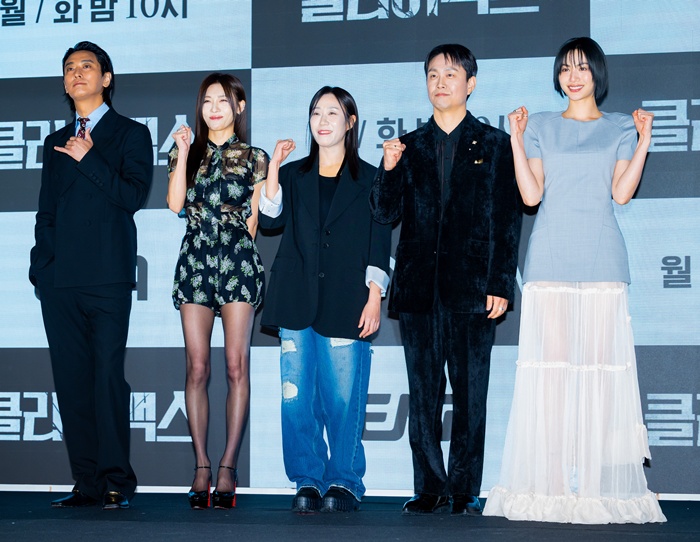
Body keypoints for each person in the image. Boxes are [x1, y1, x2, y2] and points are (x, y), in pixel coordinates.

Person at [483, 37, 666, 524]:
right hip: (549, 263)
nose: (573, 76)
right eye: (566, 68)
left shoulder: (621, 126)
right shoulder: (541, 125)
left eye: (583, 67)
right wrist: (516, 139)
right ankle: (552, 483)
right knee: (551, 376)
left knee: (599, 377)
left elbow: (621, 194)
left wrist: (644, 140)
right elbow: (531, 195)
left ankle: (595, 482)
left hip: (603, 262)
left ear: (597, 74)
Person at [370, 44, 522, 516]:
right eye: (433, 74)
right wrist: (388, 170)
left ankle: (464, 488)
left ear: (470, 84)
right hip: (418, 288)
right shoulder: (408, 146)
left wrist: (500, 283)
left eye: (451, 74)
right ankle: (429, 487)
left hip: (474, 288)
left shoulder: (495, 144)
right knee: (423, 394)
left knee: (471, 392)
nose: (440, 82)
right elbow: (384, 212)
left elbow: (507, 219)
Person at [29, 41, 153, 510]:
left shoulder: (131, 133)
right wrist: (41, 269)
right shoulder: (54, 141)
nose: (77, 73)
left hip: (107, 278)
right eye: (69, 68)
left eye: (87, 66)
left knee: (106, 379)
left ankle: (117, 480)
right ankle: (86, 482)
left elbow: (133, 196)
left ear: (106, 78)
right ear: (65, 83)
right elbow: (46, 210)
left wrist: (90, 157)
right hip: (58, 281)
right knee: (71, 382)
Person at [258, 86, 391, 513]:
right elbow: (271, 220)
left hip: (347, 298)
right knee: (296, 398)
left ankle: (345, 480)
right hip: (295, 296)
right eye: (316, 112)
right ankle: (307, 478)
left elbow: (380, 237)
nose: (323, 120)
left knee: (343, 400)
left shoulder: (370, 177)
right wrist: (274, 168)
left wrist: (375, 296)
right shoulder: (293, 175)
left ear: (350, 122)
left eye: (333, 113)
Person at [166, 73, 268, 509]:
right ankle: (201, 465)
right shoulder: (184, 150)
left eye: (223, 100)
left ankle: (228, 466)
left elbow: (255, 221)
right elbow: (175, 205)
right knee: (197, 367)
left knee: (235, 366)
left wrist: (238, 252)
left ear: (239, 107)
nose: (213, 108)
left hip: (237, 262)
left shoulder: (255, 157)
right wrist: (183, 150)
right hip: (195, 262)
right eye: (207, 100)